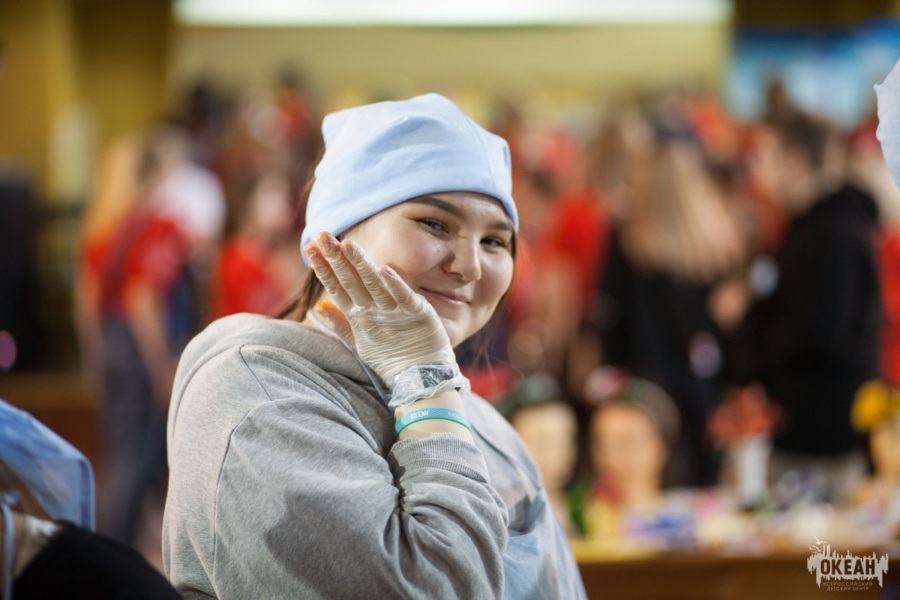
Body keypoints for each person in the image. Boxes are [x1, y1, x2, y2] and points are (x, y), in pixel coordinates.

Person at [163, 93, 586, 599]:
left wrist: (426, 384)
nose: (470, 266)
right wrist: (425, 382)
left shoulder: (486, 424)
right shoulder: (254, 395)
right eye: (435, 223)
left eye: (495, 241)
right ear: (335, 236)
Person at [728, 110, 883, 504]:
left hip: (822, 441)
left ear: (795, 162)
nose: (756, 172)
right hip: (806, 429)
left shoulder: (831, 235)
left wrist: (755, 349)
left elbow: (819, 330)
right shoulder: (808, 228)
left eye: (764, 159)